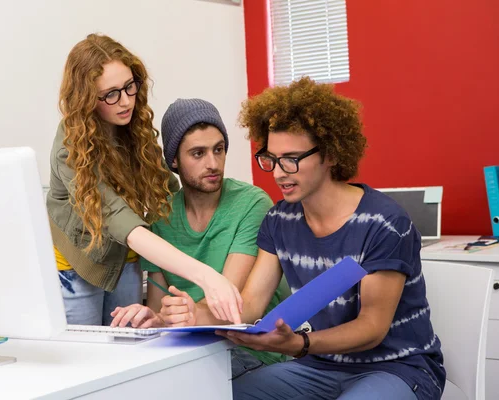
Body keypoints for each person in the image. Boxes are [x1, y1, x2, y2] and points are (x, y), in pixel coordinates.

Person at [165, 78, 446, 400]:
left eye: (292, 159)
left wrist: (300, 344)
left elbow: (372, 328)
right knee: (225, 395)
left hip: (397, 368)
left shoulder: (384, 222)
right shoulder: (279, 220)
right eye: (271, 159)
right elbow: (253, 304)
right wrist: (192, 315)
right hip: (319, 367)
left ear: (330, 154)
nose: (279, 173)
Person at [46, 34, 242, 327]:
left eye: (129, 86)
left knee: (129, 348)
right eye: (110, 94)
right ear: (86, 98)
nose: (125, 101)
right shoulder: (71, 146)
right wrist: (206, 275)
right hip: (79, 265)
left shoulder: (133, 128)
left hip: (126, 260)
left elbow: (169, 194)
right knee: (86, 356)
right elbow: (119, 220)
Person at [110, 98, 287, 378]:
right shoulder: (160, 216)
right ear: (174, 161)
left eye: (219, 150)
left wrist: (187, 315)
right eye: (198, 153)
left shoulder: (252, 203)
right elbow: (159, 306)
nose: (213, 163)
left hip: (247, 350)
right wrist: (153, 318)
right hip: (189, 348)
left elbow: (231, 303)